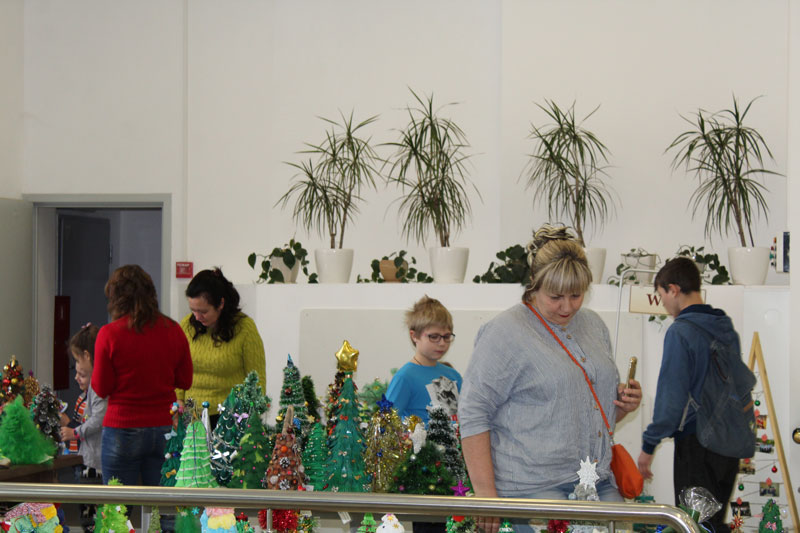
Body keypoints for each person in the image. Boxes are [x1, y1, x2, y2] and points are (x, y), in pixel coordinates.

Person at [458, 225, 642, 533]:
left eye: (576, 295)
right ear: (534, 285)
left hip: (596, 482)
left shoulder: (594, 326)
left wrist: (622, 405)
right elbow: (473, 412)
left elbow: (587, 413)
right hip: (532, 489)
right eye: (556, 296)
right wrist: (486, 496)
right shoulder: (504, 332)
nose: (567, 306)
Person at [637, 257, 743, 532]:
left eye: (661, 296)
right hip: (730, 446)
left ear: (673, 289)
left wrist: (648, 446)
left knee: (692, 525)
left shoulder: (681, 332)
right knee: (712, 524)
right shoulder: (725, 327)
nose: (663, 304)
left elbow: (671, 399)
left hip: (699, 445)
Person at [92, 265, 193, 486]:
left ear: (116, 298)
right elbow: (185, 381)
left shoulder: (109, 334)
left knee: (117, 505)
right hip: (164, 426)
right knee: (163, 501)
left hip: (122, 427)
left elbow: (101, 387)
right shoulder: (174, 330)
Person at [178, 268, 266, 429]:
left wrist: (252, 416)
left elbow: (256, 378)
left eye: (203, 311)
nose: (197, 317)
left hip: (231, 419)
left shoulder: (244, 328)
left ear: (221, 304)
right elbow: (177, 369)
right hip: (192, 416)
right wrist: (178, 400)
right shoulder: (186, 326)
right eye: (193, 310)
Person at [385, 295, 462, 426]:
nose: (442, 343)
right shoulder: (405, 378)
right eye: (434, 337)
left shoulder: (454, 376)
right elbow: (386, 423)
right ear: (414, 336)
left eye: (446, 336)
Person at [60, 323, 106, 533]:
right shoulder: (92, 388)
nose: (77, 372)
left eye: (78, 361)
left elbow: (98, 420)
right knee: (87, 512)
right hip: (89, 459)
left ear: (87, 356)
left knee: (91, 514)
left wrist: (74, 432)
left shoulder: (98, 386)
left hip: (95, 463)